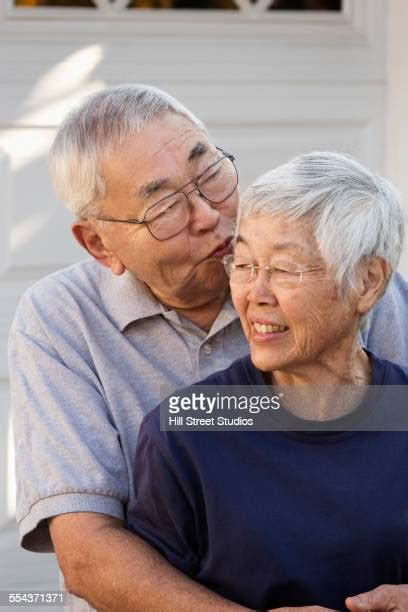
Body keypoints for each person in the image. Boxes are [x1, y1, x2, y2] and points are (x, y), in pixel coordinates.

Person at [7, 85, 408, 611]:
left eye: (211, 175)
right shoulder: (61, 321)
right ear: (100, 244)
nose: (209, 215)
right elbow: (85, 553)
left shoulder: (343, 282)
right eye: (166, 207)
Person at [128, 152, 408, 611]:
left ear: (367, 282)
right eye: (243, 265)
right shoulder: (187, 430)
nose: (255, 294)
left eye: (283, 269)